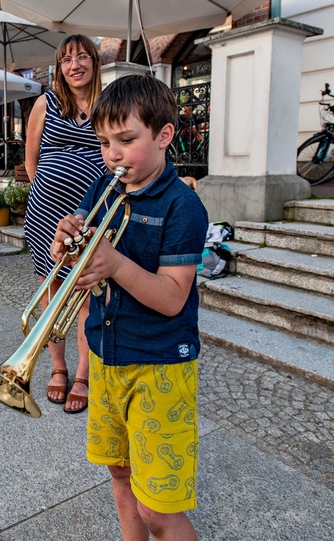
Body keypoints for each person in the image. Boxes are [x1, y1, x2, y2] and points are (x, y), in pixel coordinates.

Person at [51, 74, 208, 540]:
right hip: (104, 355)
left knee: (158, 508)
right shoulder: (103, 186)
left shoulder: (184, 206)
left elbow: (173, 296)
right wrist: (69, 241)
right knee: (120, 477)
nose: (113, 154)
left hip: (159, 366)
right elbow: (84, 247)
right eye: (103, 142)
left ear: (163, 135)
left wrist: (114, 263)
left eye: (126, 140)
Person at [24, 34, 106, 413]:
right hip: (46, 214)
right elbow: (31, 159)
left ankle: (84, 375)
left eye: (83, 57)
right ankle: (58, 369)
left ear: (94, 62)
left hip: (89, 215)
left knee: (85, 294)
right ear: (59, 67)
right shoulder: (46, 103)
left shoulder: (107, 105)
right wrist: (50, 188)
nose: (75, 65)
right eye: (67, 59)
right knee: (52, 293)